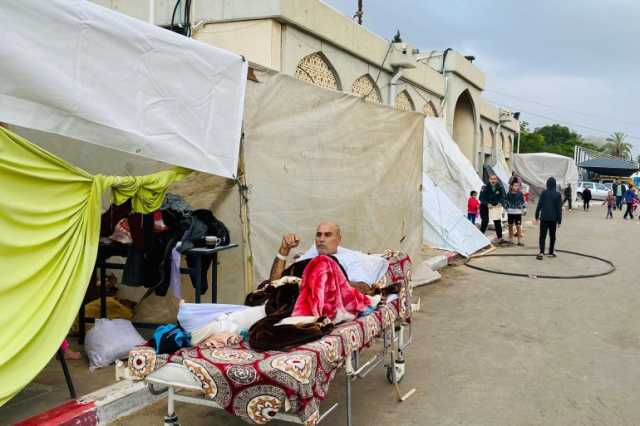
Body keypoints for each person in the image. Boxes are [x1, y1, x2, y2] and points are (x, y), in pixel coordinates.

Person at [269, 221, 388, 294]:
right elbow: (274, 282)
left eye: (327, 235)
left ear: (338, 240)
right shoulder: (308, 258)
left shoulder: (350, 259)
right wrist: (284, 250)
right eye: (318, 234)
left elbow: (364, 288)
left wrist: (330, 281)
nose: (321, 239)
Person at [535, 177, 562, 260]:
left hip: (544, 217)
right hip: (553, 219)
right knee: (552, 235)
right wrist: (559, 220)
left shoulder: (544, 193)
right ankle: (550, 252)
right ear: (555, 184)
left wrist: (536, 215)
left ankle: (541, 252)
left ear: (547, 184)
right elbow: (559, 209)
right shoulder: (558, 194)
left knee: (542, 235)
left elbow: (539, 204)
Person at [479, 174, 506, 242]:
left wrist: (500, 203)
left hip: (495, 206)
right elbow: (481, 198)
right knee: (485, 221)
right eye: (491, 179)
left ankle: (500, 238)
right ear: (489, 180)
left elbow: (502, 197)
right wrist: (487, 204)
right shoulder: (485, 187)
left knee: (497, 221)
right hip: (485, 206)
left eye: (494, 179)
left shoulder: (500, 187)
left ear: (496, 180)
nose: (493, 181)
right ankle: (480, 237)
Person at [505, 181, 526, 246]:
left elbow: (523, 202)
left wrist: (524, 209)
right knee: (510, 226)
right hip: (510, 212)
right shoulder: (508, 194)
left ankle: (519, 241)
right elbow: (506, 202)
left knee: (518, 226)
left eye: (517, 186)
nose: (516, 187)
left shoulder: (520, 194)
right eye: (515, 185)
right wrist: (504, 211)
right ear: (511, 186)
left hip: (518, 212)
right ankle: (511, 240)